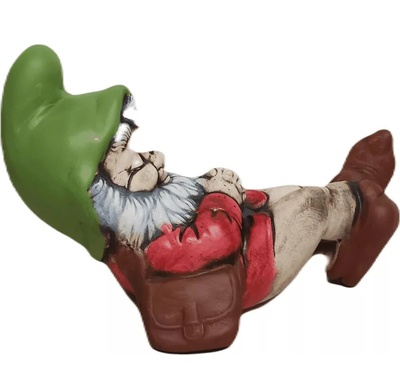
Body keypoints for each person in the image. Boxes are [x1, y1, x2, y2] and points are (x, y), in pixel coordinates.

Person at [2, 45, 398, 353]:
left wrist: (223, 191)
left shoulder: (140, 217)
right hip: (251, 265)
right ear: (99, 190)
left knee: (287, 193)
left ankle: (349, 200)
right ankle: (360, 205)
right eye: (127, 154)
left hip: (246, 222)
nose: (154, 157)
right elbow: (214, 239)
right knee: (308, 205)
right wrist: (221, 194)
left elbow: (193, 209)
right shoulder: (153, 244)